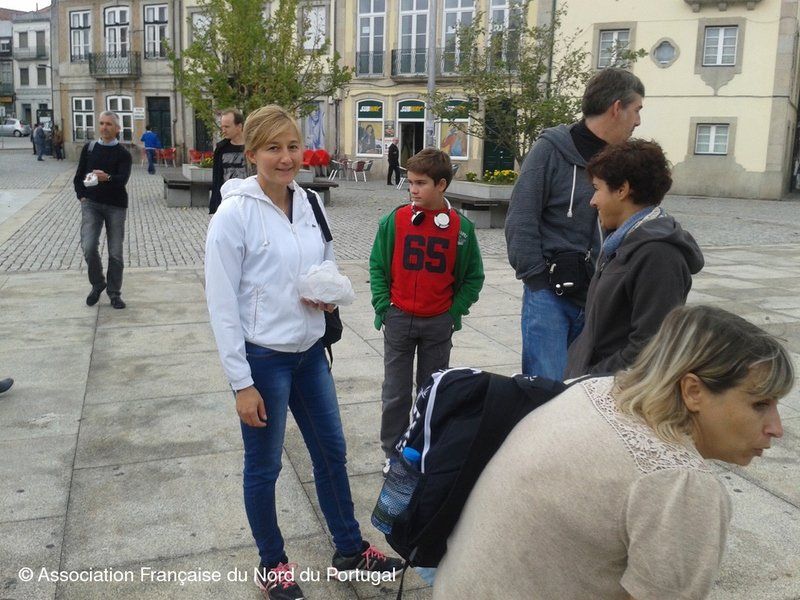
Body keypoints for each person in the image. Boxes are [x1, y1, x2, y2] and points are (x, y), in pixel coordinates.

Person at [434, 304, 793, 599]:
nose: (776, 428)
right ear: (693, 391)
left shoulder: (597, 389)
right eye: (760, 404)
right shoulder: (680, 484)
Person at [204, 105, 402, 600]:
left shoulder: (311, 201)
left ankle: (349, 551)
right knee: (264, 467)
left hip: (310, 353)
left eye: (293, 146)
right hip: (263, 360)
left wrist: (326, 291)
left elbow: (324, 261)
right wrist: (240, 383)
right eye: (273, 148)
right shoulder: (234, 215)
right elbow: (221, 305)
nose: (286, 157)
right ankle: (272, 565)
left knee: (331, 453)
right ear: (252, 153)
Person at [505, 67, 645, 380]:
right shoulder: (550, 150)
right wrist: (537, 280)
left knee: (589, 389)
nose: (638, 121)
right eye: (636, 110)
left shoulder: (623, 161)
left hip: (601, 298)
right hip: (549, 297)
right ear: (616, 108)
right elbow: (521, 216)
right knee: (547, 388)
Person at [370, 148, 484, 475]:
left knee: (432, 393)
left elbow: (473, 277)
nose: (413, 190)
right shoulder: (395, 221)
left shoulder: (462, 228)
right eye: (410, 183)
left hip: (437, 323)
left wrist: (453, 312)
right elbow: (377, 266)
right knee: (395, 393)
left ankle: (422, 450)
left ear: (442, 185)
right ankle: (393, 453)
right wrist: (384, 306)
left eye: (420, 183)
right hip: (399, 319)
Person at [565, 140, 703, 377]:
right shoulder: (623, 241)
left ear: (622, 190)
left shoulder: (658, 255)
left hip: (612, 387)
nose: (592, 200)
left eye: (597, 188)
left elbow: (650, 348)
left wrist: (592, 376)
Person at [73, 111, 132, 310]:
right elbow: (79, 176)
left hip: (116, 206)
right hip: (91, 204)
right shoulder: (89, 149)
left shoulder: (123, 154)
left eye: (108, 124)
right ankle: (98, 283)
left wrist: (107, 177)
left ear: (117, 128)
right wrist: (82, 196)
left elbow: (122, 180)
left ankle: (114, 293)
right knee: (89, 246)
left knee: (115, 252)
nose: (104, 127)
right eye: (101, 123)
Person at [209, 108, 248, 214]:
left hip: (249, 202)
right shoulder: (221, 149)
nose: (223, 130)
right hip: (227, 203)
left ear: (239, 126)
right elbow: (217, 178)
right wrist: (215, 206)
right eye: (222, 127)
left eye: (227, 127)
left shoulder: (253, 148)